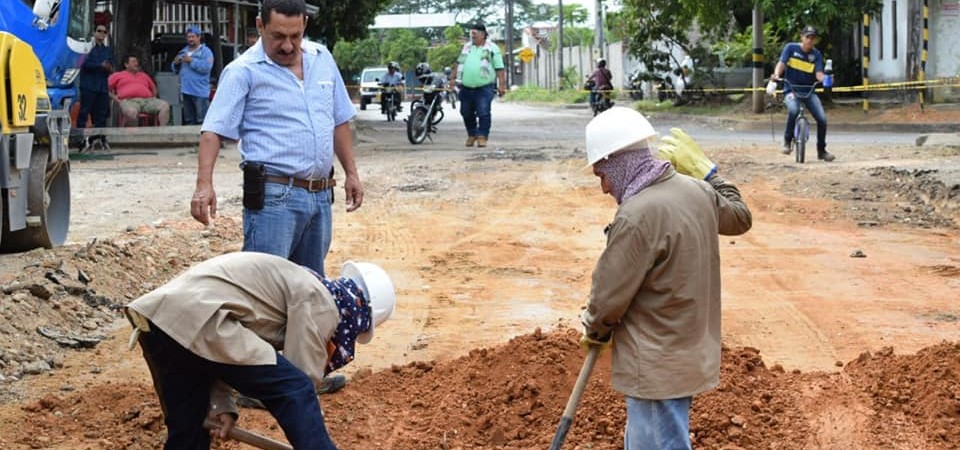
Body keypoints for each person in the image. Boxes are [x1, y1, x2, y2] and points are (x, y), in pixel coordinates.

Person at [191, 0, 362, 394]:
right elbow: (213, 131)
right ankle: (253, 385)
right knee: (261, 296)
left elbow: (339, 120)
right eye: (278, 37)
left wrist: (352, 173)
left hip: (320, 196)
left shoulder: (321, 59)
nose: (287, 46)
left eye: (295, 36)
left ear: (304, 27)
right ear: (259, 26)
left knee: (310, 291)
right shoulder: (243, 72)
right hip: (273, 198)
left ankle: (302, 380)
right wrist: (204, 184)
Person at [579, 107, 752, 450]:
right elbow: (740, 218)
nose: (603, 187)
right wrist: (710, 174)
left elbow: (608, 295)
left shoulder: (636, 216)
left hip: (656, 362)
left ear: (619, 162)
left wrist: (596, 328)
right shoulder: (697, 191)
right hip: (687, 353)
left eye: (603, 174)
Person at [126, 252, 396, 450]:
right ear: (361, 313)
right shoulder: (322, 298)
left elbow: (217, 351)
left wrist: (222, 405)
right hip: (198, 318)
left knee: (190, 428)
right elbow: (299, 378)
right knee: (296, 387)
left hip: (160, 319)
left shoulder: (296, 278)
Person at [771, 25, 834, 162]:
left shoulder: (816, 54)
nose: (810, 41)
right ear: (802, 37)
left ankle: (821, 150)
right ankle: (787, 142)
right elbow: (781, 64)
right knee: (793, 111)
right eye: (807, 37)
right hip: (791, 90)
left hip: (809, 91)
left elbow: (818, 74)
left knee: (822, 119)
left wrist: (826, 79)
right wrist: (776, 75)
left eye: (813, 38)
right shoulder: (790, 48)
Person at [449, 23, 506, 148]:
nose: (472, 36)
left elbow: (500, 69)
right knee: (465, 112)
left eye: (474, 34)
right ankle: (472, 134)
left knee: (483, 112)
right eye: (471, 34)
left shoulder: (492, 48)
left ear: (483, 35)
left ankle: (482, 136)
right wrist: (452, 78)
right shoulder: (467, 47)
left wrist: (502, 86)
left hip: (484, 87)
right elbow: (458, 63)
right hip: (466, 87)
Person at [77, 23, 113, 150]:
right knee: (84, 112)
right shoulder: (86, 48)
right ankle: (81, 140)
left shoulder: (107, 50)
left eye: (104, 32)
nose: (102, 34)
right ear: (94, 33)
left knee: (101, 115)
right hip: (88, 85)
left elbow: (110, 65)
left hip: (102, 86)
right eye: (99, 31)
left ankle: (99, 138)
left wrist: (107, 67)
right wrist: (100, 65)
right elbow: (83, 63)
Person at [108, 55, 171, 127]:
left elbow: (154, 88)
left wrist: (153, 98)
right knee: (131, 112)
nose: (136, 63)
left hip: (147, 101)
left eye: (136, 61)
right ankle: (135, 135)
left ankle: (162, 132)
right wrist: (115, 99)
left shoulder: (144, 75)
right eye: (133, 62)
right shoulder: (118, 75)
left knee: (165, 106)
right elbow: (105, 88)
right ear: (126, 65)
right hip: (129, 101)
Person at [172, 25, 214, 125]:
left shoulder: (206, 52)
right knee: (189, 120)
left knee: (202, 120)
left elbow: (206, 67)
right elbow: (174, 69)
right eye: (188, 37)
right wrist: (175, 63)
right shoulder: (183, 51)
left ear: (199, 37)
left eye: (193, 36)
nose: (190, 39)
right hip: (186, 91)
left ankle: (202, 140)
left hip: (200, 92)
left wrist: (192, 61)